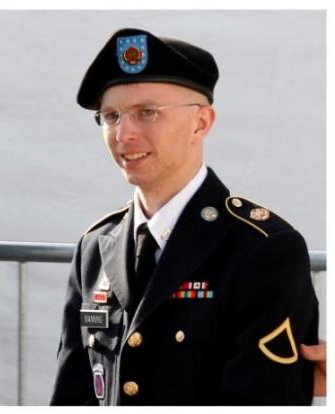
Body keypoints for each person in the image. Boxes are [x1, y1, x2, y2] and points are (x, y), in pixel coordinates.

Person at [50, 28, 319, 405]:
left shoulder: (263, 249)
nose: (123, 134)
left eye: (147, 113)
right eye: (111, 116)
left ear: (201, 122)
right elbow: (71, 395)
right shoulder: (96, 247)